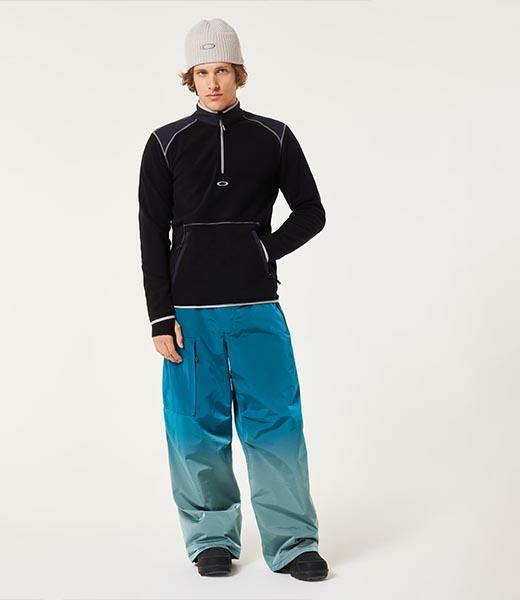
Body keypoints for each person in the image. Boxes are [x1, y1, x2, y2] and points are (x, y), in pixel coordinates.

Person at [137, 17, 329, 582]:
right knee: (196, 427)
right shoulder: (165, 143)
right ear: (190, 78)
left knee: (275, 422)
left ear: (238, 73)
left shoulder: (274, 136)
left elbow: (311, 211)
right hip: (189, 314)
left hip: (256, 309)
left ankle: (293, 542)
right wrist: (159, 316)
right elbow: (151, 234)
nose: (213, 81)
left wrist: (265, 249)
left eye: (222, 69)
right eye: (202, 72)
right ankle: (211, 538)